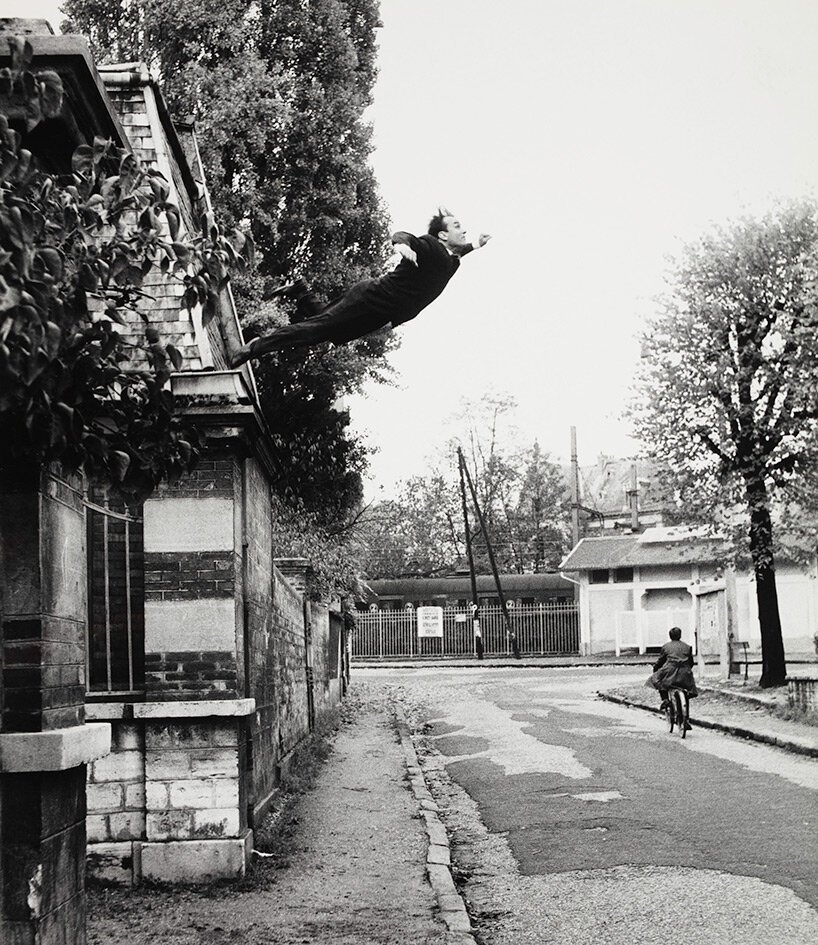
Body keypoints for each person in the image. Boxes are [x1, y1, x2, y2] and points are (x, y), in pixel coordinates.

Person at [230, 209, 491, 366]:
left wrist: (476, 245)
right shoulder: (431, 246)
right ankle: (253, 348)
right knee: (317, 331)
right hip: (371, 299)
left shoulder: (451, 262)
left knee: (326, 326)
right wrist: (400, 245)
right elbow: (407, 237)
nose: (464, 230)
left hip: (381, 315)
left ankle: (300, 291)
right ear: (443, 235)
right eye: (457, 226)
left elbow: (457, 254)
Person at [648, 626, 699, 710]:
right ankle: (686, 717)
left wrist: (655, 669)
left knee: (658, 680)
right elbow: (691, 662)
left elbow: (661, 661)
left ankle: (665, 700)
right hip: (684, 673)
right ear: (680, 635)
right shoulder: (687, 647)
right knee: (687, 690)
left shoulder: (666, 647)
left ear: (670, 636)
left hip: (670, 672)